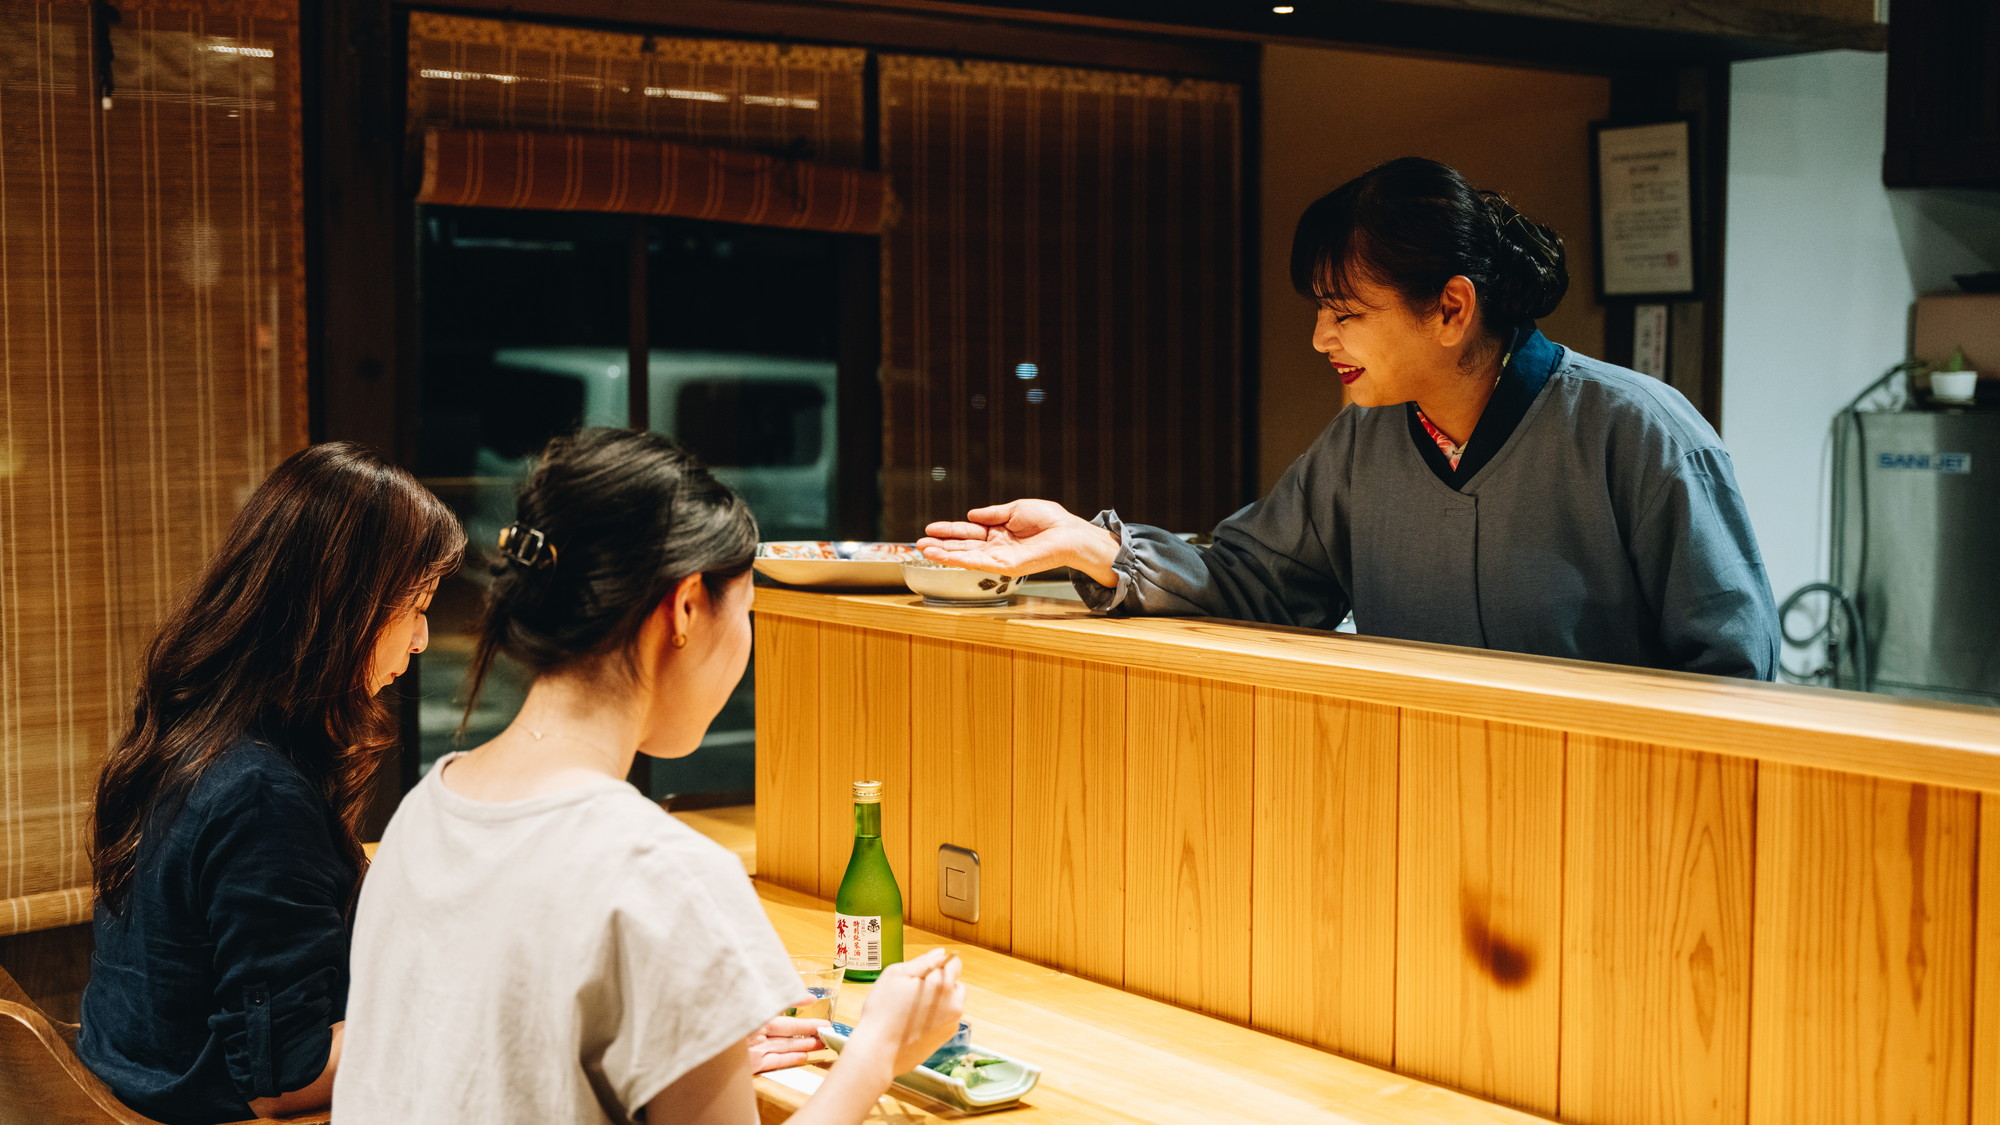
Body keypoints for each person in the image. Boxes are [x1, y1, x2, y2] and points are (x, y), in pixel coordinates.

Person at [921, 157, 1781, 679]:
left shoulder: (1637, 433)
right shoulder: (1364, 441)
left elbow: (1734, 674)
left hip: (1611, 831)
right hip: (1413, 813)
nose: (1319, 335)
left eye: (1344, 310)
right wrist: (1089, 544)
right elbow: (1258, 588)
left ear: (1451, 308)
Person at [334, 427, 965, 1125]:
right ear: (687, 606)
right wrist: (877, 1049)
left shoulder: (425, 813)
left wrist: (695, 1036)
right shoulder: (666, 871)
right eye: (746, 612)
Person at [80, 443, 465, 1124]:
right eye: (417, 605)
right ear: (346, 604)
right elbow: (283, 1078)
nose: (423, 639)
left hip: (127, 1089)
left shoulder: (191, 735)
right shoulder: (259, 794)